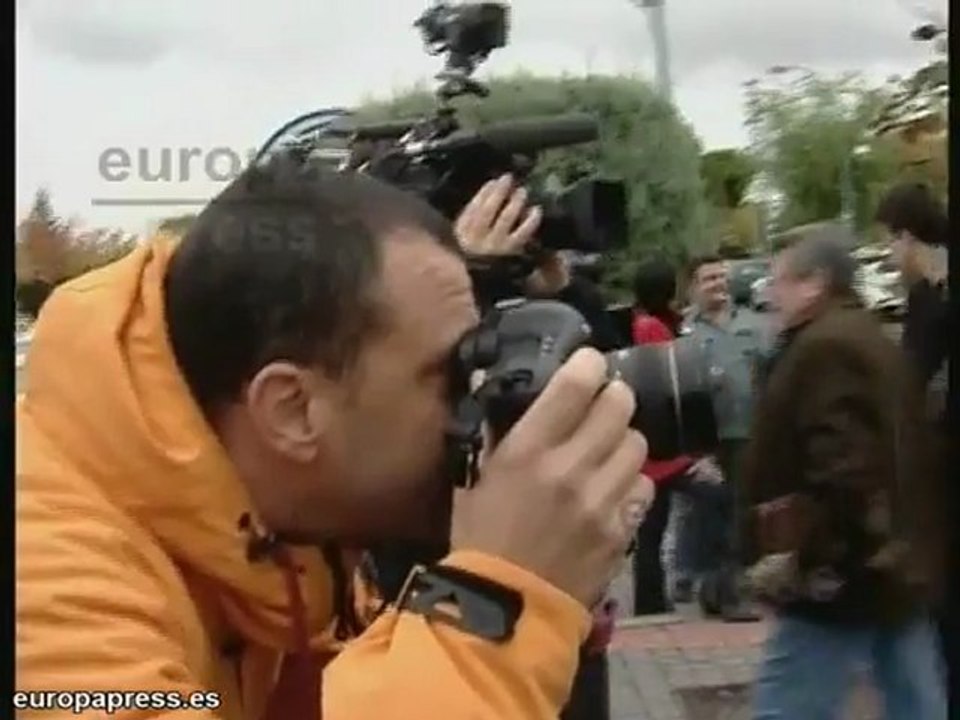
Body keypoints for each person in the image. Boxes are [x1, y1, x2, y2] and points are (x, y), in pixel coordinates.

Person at [15, 160, 655, 720]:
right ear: (292, 410)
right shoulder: (44, 593)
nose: (478, 406)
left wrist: (550, 598)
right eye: (447, 375)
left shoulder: (284, 537)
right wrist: (494, 606)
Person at [746, 234, 947, 719]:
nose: (770, 295)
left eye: (779, 282)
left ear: (815, 284)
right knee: (916, 699)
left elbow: (846, 466)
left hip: (837, 573)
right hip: (887, 566)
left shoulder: (825, 348)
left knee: (786, 705)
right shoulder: (867, 337)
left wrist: (811, 557)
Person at [874, 181, 955, 716]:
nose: (887, 255)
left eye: (888, 241)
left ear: (907, 235)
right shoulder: (929, 296)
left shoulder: (939, 296)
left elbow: (916, 380)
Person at [678, 255, 770, 620]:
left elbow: (770, 376)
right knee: (712, 519)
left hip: (749, 434)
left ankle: (727, 591)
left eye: (721, 276)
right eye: (708, 278)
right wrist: (694, 453)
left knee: (742, 517)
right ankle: (721, 594)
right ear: (693, 288)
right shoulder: (685, 334)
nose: (718, 283)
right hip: (709, 442)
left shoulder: (754, 326)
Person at [628, 258, 697, 615]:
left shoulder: (647, 322)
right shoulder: (652, 328)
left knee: (654, 526)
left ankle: (652, 596)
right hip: (660, 447)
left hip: (654, 446)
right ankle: (651, 599)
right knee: (654, 528)